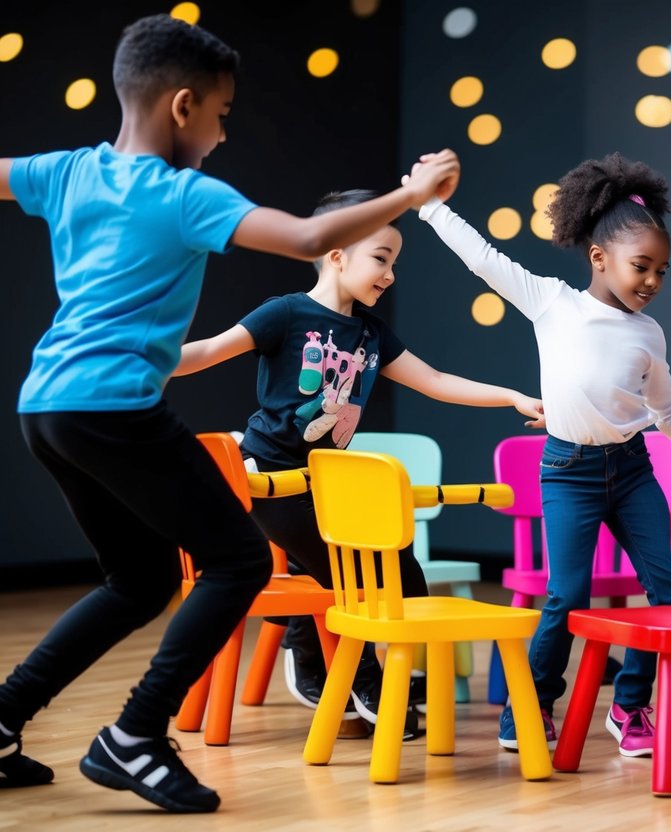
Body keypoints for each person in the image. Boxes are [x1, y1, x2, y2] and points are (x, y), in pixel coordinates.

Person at [0, 14, 459, 813]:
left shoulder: (67, 171)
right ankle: (135, 735)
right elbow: (312, 235)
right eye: (219, 116)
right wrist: (413, 194)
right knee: (241, 561)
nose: (218, 135)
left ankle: (2, 716)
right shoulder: (185, 195)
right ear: (183, 106)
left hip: (45, 406)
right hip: (114, 407)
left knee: (140, 579)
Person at [173, 188, 544, 742]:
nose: (389, 274)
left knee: (406, 574)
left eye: (394, 261)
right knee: (342, 570)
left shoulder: (371, 335)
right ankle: (358, 677)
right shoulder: (286, 314)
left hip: (331, 484)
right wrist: (140, 364)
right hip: (270, 477)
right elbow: (207, 351)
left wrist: (510, 396)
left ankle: (379, 668)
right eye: (381, 258)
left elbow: (437, 382)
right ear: (337, 252)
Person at [414, 152, 671, 757]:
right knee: (567, 594)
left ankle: (630, 704)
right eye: (642, 266)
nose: (652, 282)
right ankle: (531, 704)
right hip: (568, 473)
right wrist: (430, 206)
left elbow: (667, 409)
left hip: (633, 469)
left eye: (662, 272)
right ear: (599, 258)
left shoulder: (650, 334)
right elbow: (483, 259)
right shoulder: (551, 302)